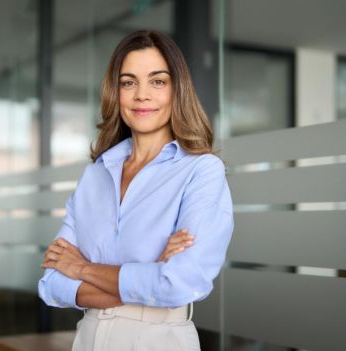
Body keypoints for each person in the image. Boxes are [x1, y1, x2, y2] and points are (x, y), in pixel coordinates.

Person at [38, 30, 233, 351]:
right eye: (129, 82)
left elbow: (179, 283)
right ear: (116, 93)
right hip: (88, 339)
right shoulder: (95, 175)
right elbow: (51, 284)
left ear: (177, 90)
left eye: (157, 81)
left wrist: (83, 269)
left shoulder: (201, 171)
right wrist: (149, 273)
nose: (142, 94)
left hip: (159, 341)